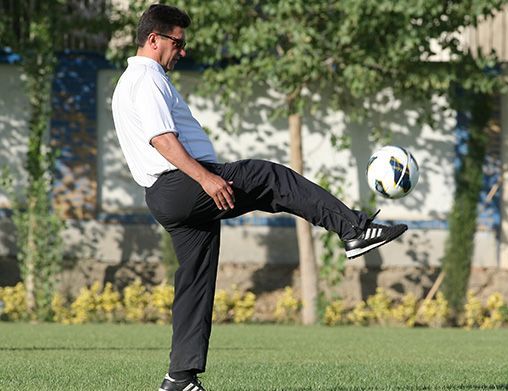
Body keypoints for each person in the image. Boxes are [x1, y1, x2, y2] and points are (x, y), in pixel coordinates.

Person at [111, 4, 407, 390]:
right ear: (154, 39)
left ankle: (180, 378)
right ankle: (354, 229)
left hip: (165, 196)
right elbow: (162, 139)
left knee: (196, 281)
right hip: (183, 184)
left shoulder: (129, 82)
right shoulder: (147, 78)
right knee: (269, 176)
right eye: (177, 43)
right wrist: (206, 179)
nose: (182, 51)